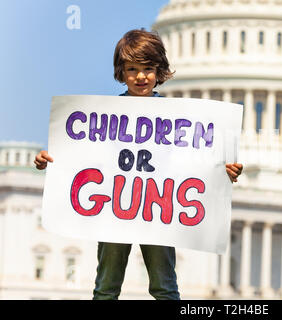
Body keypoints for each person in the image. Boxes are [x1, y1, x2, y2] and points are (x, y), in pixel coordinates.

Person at [34, 29, 244, 300]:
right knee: (106, 287)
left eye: (147, 68)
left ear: (160, 71)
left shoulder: (180, 119)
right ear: (121, 72)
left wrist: (223, 170)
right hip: (114, 208)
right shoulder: (103, 114)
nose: (141, 76)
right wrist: (49, 160)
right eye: (132, 69)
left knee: (164, 286)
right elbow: (84, 153)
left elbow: (193, 160)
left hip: (158, 208)